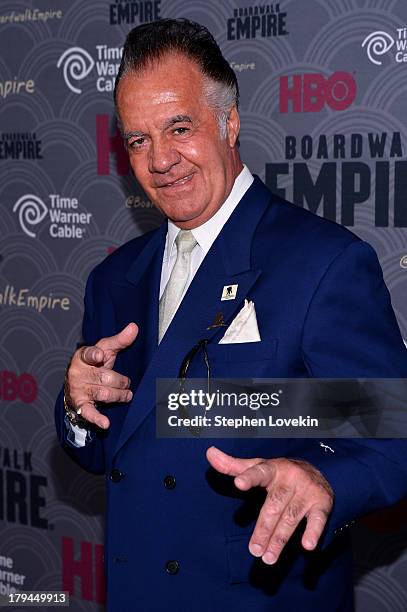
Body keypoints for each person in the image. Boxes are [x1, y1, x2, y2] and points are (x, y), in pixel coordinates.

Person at [55, 18, 407, 612]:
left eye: (180, 127)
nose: (161, 159)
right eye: (138, 140)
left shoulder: (323, 262)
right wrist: (77, 407)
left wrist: (324, 479)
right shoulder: (115, 278)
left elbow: (392, 428)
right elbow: (108, 451)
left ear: (230, 122)